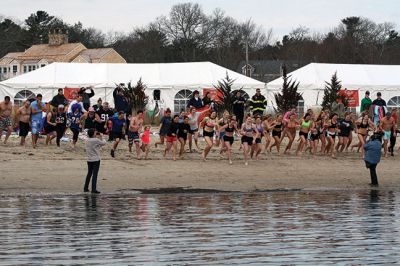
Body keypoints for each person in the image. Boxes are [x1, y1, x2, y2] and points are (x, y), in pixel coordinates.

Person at [84, 129, 106, 194]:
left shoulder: (87, 140)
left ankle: (85, 188)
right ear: (93, 134)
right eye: (95, 133)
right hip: (96, 159)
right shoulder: (95, 140)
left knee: (89, 173)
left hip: (89, 159)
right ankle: (93, 189)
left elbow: (97, 145)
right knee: (95, 174)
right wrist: (102, 137)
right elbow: (103, 143)